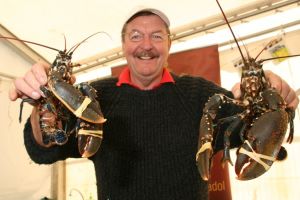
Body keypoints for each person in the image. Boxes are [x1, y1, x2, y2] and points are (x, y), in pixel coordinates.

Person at [9, 8, 299, 200]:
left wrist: (273, 103)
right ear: (124, 45)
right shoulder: (92, 95)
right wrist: (41, 102)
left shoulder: (201, 93)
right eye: (136, 36)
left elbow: (247, 133)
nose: (146, 45)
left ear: (169, 45)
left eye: (156, 36)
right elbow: (43, 150)